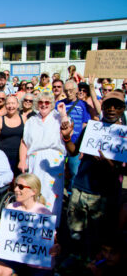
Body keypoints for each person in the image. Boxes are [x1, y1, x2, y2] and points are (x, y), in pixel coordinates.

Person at [61, 90, 126, 258]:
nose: (112, 109)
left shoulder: (123, 136)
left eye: (117, 106)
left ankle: (91, 264)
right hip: (81, 188)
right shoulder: (92, 127)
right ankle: (76, 260)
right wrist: (67, 138)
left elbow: (122, 171)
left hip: (103, 194)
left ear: (122, 109)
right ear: (102, 107)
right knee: (75, 232)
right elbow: (74, 152)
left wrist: (108, 163)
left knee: (97, 235)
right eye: (108, 105)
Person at [0, 173, 60, 276]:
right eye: (15, 185)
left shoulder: (44, 213)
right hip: (14, 257)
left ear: (33, 191)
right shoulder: (11, 208)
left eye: (21, 187)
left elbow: (53, 240)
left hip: (37, 262)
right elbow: (2, 233)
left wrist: (56, 248)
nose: (16, 189)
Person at [18, 92, 66, 224]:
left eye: (47, 102)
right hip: (34, 159)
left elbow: (68, 129)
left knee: (52, 193)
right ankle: (32, 225)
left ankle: (51, 227)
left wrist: (63, 115)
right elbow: (24, 142)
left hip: (53, 159)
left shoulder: (58, 117)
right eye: (40, 102)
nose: (43, 105)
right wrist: (22, 160)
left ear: (51, 104)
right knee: (33, 191)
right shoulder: (32, 121)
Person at [56, 81, 91, 193]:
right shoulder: (59, 104)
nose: (68, 92)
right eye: (66, 90)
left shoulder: (83, 105)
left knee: (74, 172)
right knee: (58, 171)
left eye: (71, 90)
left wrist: (83, 145)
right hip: (60, 143)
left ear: (77, 90)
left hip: (76, 144)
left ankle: (71, 194)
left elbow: (85, 124)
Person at [0, 96, 25, 177]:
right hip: (3, 157)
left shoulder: (24, 119)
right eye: (8, 104)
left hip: (19, 156)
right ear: (5, 106)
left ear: (17, 105)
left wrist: (22, 159)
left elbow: (25, 140)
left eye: (13, 103)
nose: (11, 106)